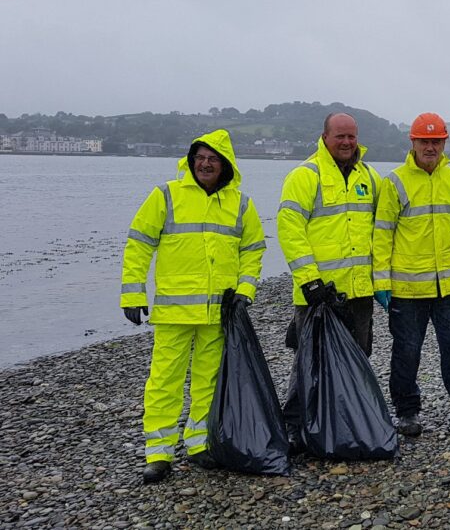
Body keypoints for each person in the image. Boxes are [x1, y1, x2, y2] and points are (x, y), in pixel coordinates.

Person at [121, 129, 265, 484]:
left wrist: (245, 290)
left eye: (212, 159)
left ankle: (199, 444)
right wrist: (133, 294)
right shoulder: (166, 195)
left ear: (225, 164)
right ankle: (158, 453)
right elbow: (139, 243)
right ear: (190, 161)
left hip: (218, 312)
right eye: (199, 158)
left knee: (208, 381)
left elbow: (253, 249)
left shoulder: (240, 204)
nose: (205, 164)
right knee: (164, 381)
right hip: (174, 311)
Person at [277, 113, 381, 449]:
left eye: (351, 136)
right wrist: (309, 280)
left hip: (359, 290)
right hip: (318, 294)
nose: (347, 143)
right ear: (324, 137)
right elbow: (289, 228)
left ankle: (347, 423)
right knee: (309, 360)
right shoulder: (305, 176)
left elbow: (382, 229)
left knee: (358, 357)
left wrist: (383, 280)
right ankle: (296, 425)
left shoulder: (369, 177)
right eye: (340, 136)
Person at [372, 113, 450, 436]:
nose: (430, 147)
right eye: (424, 141)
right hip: (407, 290)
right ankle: (407, 412)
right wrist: (381, 281)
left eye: (436, 141)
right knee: (407, 351)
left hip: (448, 287)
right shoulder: (395, 182)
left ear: (444, 143)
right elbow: (382, 234)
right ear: (413, 143)